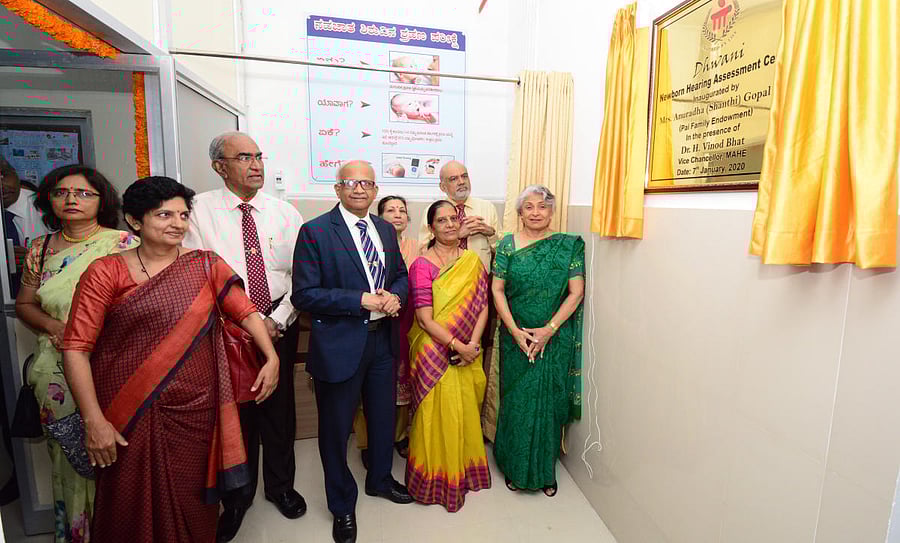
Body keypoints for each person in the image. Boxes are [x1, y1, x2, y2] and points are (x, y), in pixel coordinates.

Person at [61, 176, 279, 543]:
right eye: (164, 214)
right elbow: (76, 347)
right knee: (127, 503)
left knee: (194, 501)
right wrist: (93, 419)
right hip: (128, 410)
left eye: (182, 214)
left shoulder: (206, 265)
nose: (177, 223)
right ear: (134, 221)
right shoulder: (106, 272)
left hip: (195, 411)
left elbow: (245, 312)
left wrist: (270, 356)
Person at [182, 131, 306, 542]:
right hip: (225, 328)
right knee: (235, 416)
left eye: (259, 156)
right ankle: (237, 498)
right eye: (243, 157)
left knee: (279, 412)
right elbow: (195, 275)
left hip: (278, 322)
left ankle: (281, 488)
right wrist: (242, 319)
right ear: (219, 165)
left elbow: (299, 278)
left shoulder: (285, 212)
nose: (255, 164)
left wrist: (279, 319)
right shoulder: (198, 210)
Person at [14, 164, 137, 543]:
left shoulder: (124, 244)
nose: (71, 199)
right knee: (69, 461)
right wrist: (56, 329)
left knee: (119, 457)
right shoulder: (40, 248)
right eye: (61, 192)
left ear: (102, 201)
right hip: (56, 374)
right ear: (48, 199)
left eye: (83, 193)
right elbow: (25, 304)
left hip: (113, 366)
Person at [292, 160, 413, 543]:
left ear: (375, 190)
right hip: (340, 343)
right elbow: (304, 294)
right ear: (338, 188)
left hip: (382, 342)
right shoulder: (314, 232)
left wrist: (395, 296)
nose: (360, 189)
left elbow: (400, 276)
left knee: (381, 419)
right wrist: (359, 299)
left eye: (367, 183)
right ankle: (342, 505)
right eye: (351, 182)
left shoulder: (383, 229)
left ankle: (379, 479)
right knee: (336, 429)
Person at [491, 185, 585, 497]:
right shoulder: (507, 245)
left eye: (542, 207)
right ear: (519, 212)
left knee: (549, 403)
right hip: (515, 337)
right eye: (528, 207)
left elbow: (576, 292)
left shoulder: (569, 246)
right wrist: (515, 331)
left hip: (554, 338)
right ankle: (514, 466)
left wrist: (550, 329)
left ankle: (545, 470)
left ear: (551, 211)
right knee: (517, 402)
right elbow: (497, 290)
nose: (535, 212)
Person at [406, 200, 491, 512]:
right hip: (435, 349)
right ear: (431, 228)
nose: (450, 225)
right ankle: (434, 478)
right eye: (441, 221)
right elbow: (425, 320)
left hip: (468, 347)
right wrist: (458, 345)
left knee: (464, 411)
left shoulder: (471, 261)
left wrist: (474, 344)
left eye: (453, 219)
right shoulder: (422, 266)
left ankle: (464, 472)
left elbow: (483, 306)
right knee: (435, 415)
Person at [352, 195, 419, 465]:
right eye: (390, 210)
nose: (397, 214)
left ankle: (399, 435)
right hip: (373, 321)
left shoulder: (419, 246)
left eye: (402, 210)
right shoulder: (367, 243)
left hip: (409, 321)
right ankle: (367, 441)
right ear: (378, 217)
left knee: (404, 380)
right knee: (368, 383)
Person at [418, 161, 498, 273]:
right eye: (453, 179)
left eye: (464, 176)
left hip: (479, 280)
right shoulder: (432, 210)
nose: (461, 182)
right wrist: (457, 235)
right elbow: (423, 251)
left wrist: (491, 234)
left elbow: (501, 251)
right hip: (445, 280)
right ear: (442, 187)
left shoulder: (487, 207)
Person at [2, 157, 49, 298]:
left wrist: (38, 260)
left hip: (43, 300)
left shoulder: (47, 206)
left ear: (15, 174)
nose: (1, 185)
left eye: (3, 175)